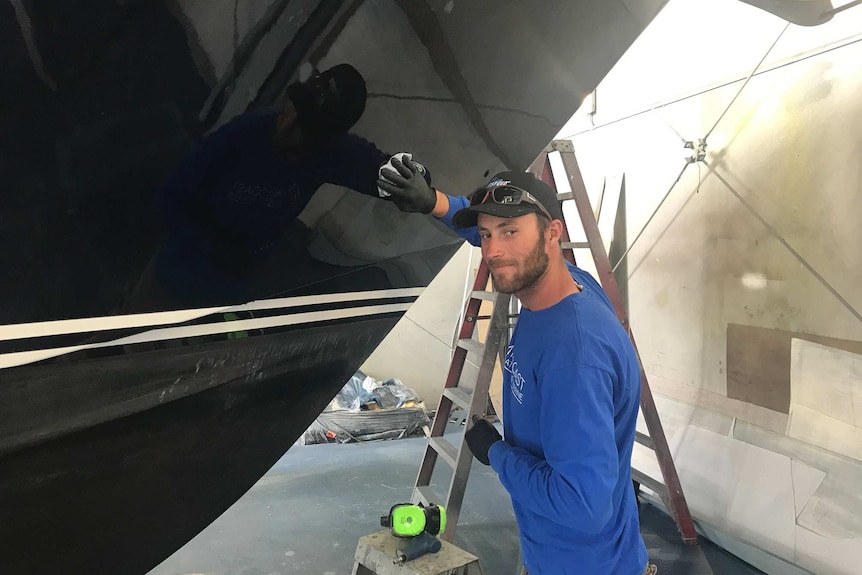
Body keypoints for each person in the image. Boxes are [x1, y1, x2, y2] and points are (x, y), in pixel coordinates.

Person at [377, 157, 654, 575]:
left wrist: (496, 453)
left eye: (509, 232)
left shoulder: (573, 356)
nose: (493, 250)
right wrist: (434, 202)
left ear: (552, 234)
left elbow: (582, 507)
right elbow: (498, 237)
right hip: (570, 554)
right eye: (487, 235)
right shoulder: (571, 283)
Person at [128, 63, 399, 311]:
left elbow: (392, 176)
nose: (287, 126)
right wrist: (210, 245)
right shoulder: (245, 134)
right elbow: (171, 195)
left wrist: (416, 181)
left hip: (227, 293)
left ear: (324, 138)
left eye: (303, 127)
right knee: (122, 337)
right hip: (175, 272)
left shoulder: (332, 154)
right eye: (292, 108)